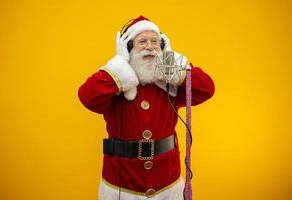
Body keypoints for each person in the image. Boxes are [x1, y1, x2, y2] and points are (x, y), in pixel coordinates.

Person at [78, 15, 215, 200]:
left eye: (155, 42)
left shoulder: (170, 86)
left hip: (167, 182)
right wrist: (119, 67)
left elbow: (206, 89)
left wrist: (175, 66)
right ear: (128, 49)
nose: (150, 46)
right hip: (122, 185)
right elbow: (88, 97)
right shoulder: (114, 85)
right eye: (142, 41)